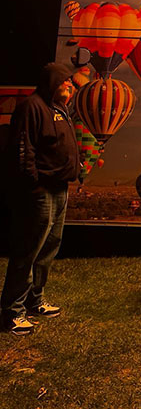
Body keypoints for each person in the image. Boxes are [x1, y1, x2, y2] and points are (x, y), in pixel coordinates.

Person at [1, 63, 80, 336]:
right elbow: (24, 148)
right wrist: (32, 184)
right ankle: (13, 311)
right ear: (52, 81)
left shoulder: (60, 108)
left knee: (49, 247)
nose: (70, 85)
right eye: (66, 81)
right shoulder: (32, 107)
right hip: (40, 191)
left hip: (60, 188)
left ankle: (35, 300)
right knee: (29, 249)